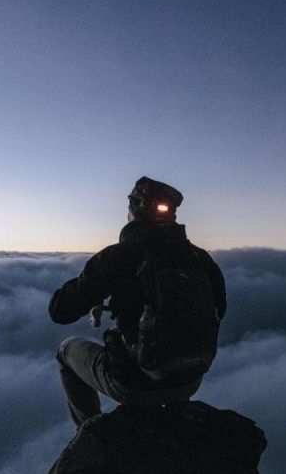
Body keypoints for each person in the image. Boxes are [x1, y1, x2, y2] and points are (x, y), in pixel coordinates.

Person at [49, 176, 226, 429]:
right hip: (190, 381)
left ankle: (91, 432)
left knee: (65, 350)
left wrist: (93, 283)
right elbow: (220, 309)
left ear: (136, 207)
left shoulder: (117, 256)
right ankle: (174, 411)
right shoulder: (201, 259)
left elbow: (60, 311)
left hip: (132, 385)